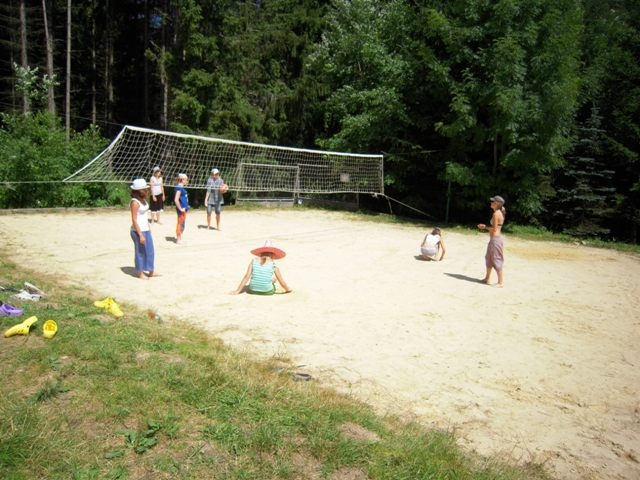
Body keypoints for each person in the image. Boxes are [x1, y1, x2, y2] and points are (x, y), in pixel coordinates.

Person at [477, 195, 506, 287]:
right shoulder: (498, 212)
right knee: (488, 258)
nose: (491, 202)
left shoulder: (496, 213)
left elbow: (494, 229)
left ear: (497, 203)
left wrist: (484, 227)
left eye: (493, 201)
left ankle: (500, 282)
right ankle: (487, 278)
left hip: (495, 240)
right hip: (494, 239)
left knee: (496, 259)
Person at [129, 178, 155, 279]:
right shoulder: (134, 202)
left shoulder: (143, 200)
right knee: (140, 252)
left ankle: (151, 270)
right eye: (145, 189)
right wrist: (140, 235)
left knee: (150, 250)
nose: (147, 190)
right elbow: (134, 220)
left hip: (146, 229)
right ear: (139, 191)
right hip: (137, 231)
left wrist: (148, 227)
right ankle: (140, 272)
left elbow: (144, 216)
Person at [174, 173, 189, 243]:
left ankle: (179, 236)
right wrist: (180, 208)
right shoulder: (179, 188)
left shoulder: (181, 187)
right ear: (182, 180)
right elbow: (176, 200)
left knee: (182, 223)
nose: (187, 181)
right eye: (186, 179)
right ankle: (178, 238)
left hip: (184, 208)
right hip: (181, 209)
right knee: (180, 223)